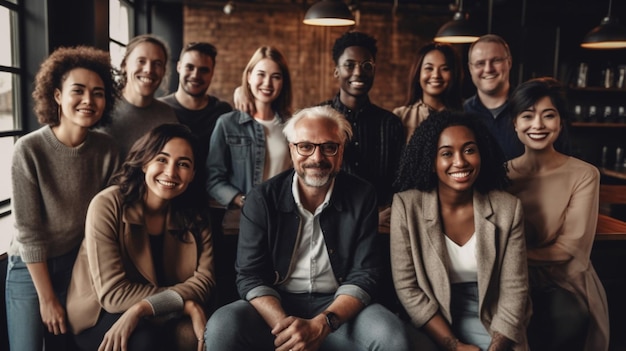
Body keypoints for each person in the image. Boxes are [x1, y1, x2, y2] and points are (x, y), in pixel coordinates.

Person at [204, 105, 411, 351]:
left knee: (392, 337)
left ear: (341, 150)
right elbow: (250, 275)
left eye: (329, 147)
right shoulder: (261, 199)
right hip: (276, 305)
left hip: (337, 306)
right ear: (291, 149)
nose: (317, 158)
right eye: (305, 146)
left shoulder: (362, 195)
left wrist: (323, 324)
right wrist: (290, 331)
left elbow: (365, 272)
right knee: (222, 326)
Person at [5, 45, 120, 351]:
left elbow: (107, 217)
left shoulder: (107, 150)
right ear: (57, 95)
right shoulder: (28, 150)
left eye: (98, 93)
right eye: (78, 90)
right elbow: (29, 232)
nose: (88, 100)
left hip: (75, 265)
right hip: (30, 269)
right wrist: (47, 299)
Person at [66, 123, 215, 351]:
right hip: (99, 312)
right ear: (145, 162)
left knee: (207, 336)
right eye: (162, 159)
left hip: (154, 311)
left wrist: (143, 308)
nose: (171, 172)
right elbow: (114, 294)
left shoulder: (196, 215)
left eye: (183, 164)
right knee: (144, 342)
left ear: (193, 174)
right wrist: (186, 306)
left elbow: (205, 282)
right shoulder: (107, 204)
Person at [391, 111, 531, 351]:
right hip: (431, 314)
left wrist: (496, 348)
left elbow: (514, 289)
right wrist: (454, 345)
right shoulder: (406, 206)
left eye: (469, 150)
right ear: (431, 161)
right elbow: (407, 288)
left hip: (489, 309)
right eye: (446, 153)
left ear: (481, 154)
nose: (460, 162)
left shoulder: (507, 208)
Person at [506, 77, 609, 351]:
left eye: (548, 115)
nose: (538, 125)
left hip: (564, 281)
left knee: (565, 318)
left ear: (560, 122)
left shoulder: (585, 174)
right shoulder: (500, 174)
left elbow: (568, 249)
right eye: (527, 116)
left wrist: (506, 256)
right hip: (510, 280)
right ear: (514, 123)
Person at [206, 45, 292, 234]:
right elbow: (213, 179)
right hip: (240, 224)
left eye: (276, 77)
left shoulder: (291, 126)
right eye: (261, 74)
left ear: (283, 82)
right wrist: (244, 201)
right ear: (249, 76)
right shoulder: (227, 123)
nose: (267, 83)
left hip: (282, 223)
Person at [101, 34, 179, 160]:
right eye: (141, 61)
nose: (149, 69)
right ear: (124, 65)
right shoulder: (103, 107)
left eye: (157, 64)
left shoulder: (167, 115)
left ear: (164, 71)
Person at [159, 41, 233, 165]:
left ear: (212, 73)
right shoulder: (160, 110)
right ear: (179, 67)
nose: (195, 75)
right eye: (190, 67)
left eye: (204, 70)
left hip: (212, 184)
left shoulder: (223, 112)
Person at [393, 42, 463, 143]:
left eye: (445, 69)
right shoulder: (401, 116)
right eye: (429, 68)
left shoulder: (465, 114)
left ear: (454, 75)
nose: (436, 75)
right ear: (418, 74)